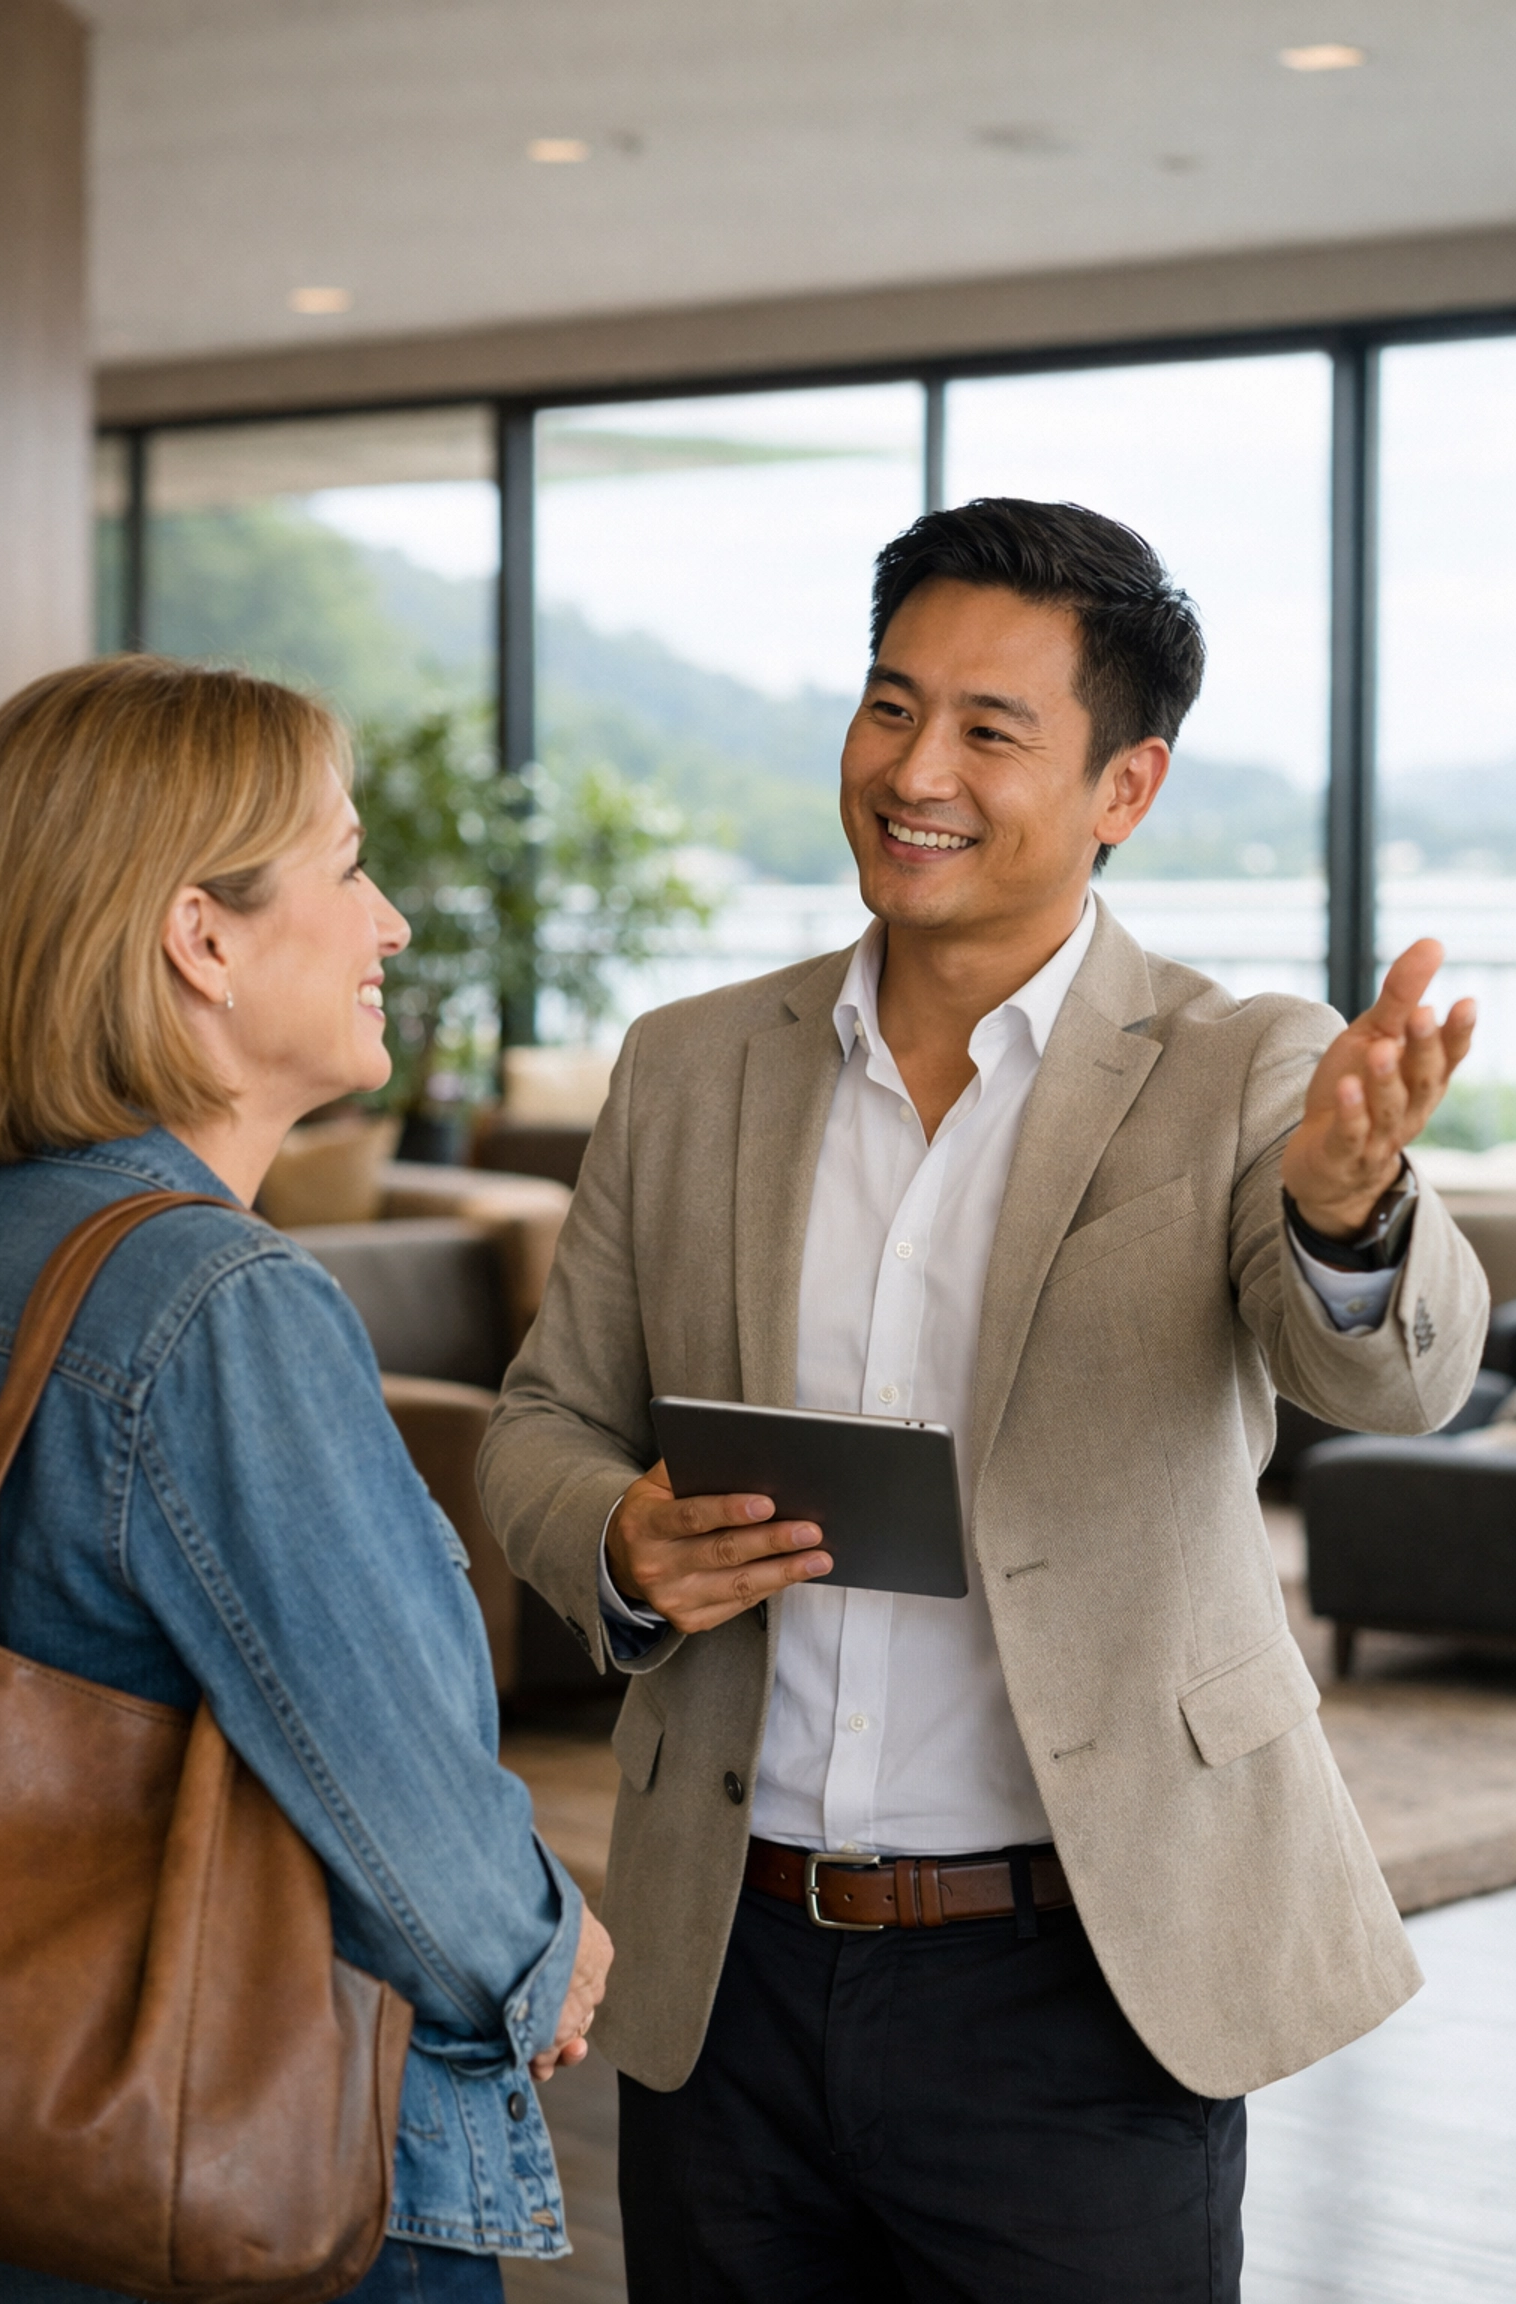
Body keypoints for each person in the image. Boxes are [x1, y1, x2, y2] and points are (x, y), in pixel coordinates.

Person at [478, 498, 1489, 2302]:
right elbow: (537, 1428)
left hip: (1080, 1982)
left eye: (988, 731)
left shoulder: (1238, 1063)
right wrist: (619, 1543)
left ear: (1128, 787)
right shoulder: (691, 1065)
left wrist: (1350, 1214)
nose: (913, 768)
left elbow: (1389, 1373)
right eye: (887, 706)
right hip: (733, 1970)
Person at [0, 657, 611, 2304]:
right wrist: (546, 1948)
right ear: (202, 938)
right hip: (238, 2177)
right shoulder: (215, 1310)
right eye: (346, 868)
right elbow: (396, 1797)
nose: (390, 923)